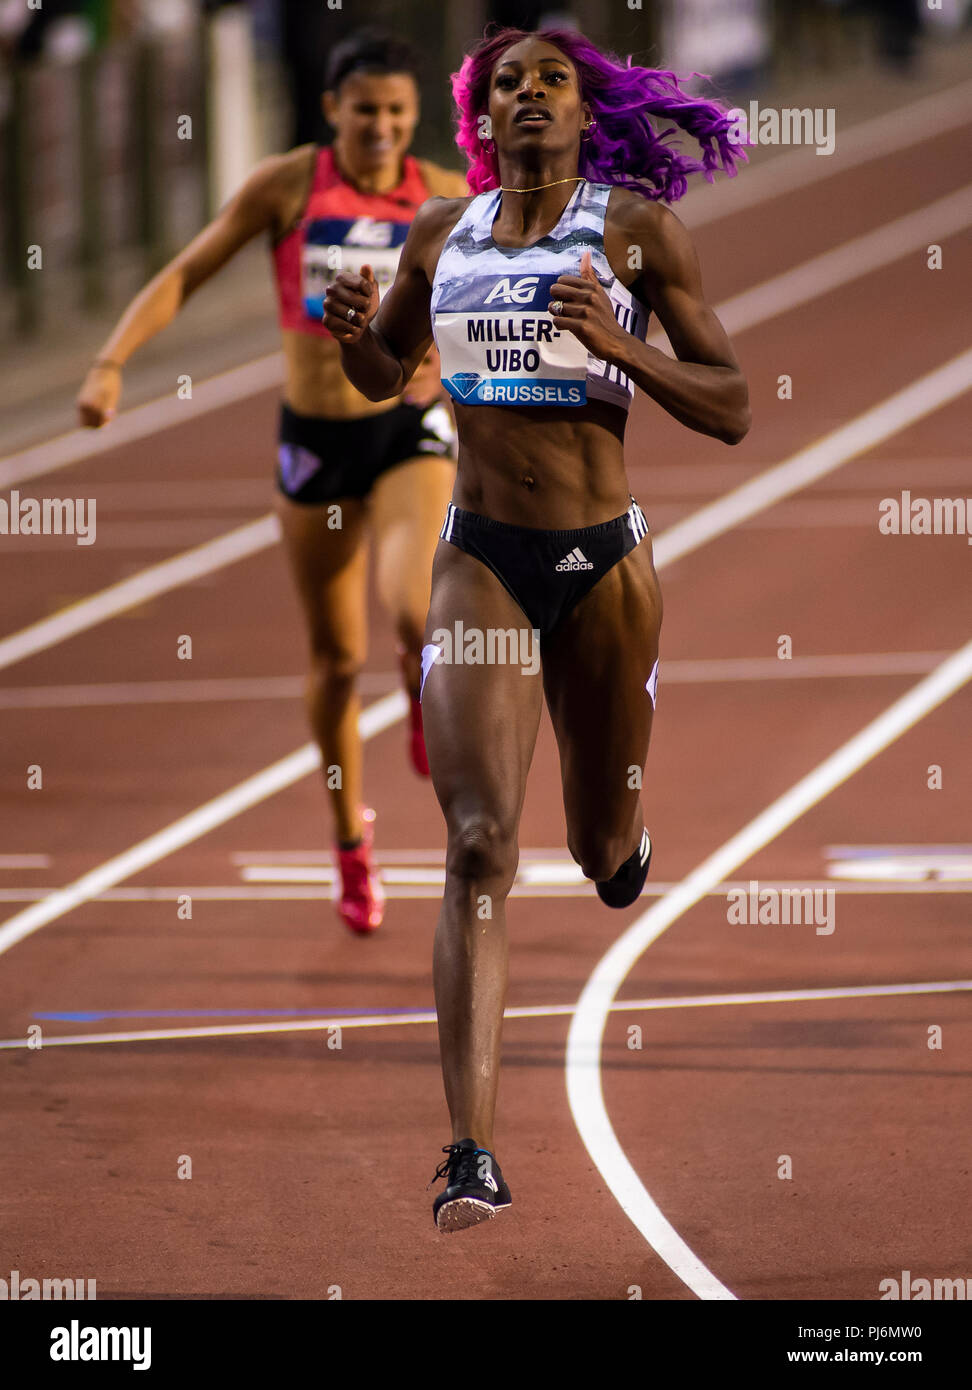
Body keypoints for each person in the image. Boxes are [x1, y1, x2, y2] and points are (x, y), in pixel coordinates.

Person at [323, 25, 750, 1229]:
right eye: (506, 82)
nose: (526, 97)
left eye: (549, 81)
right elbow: (381, 375)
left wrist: (623, 346)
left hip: (603, 565)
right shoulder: (438, 238)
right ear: (484, 113)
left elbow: (735, 406)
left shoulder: (634, 233)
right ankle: (470, 1151)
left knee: (597, 852)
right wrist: (355, 333)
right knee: (474, 845)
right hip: (483, 564)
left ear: (581, 109)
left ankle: (621, 840)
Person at [77, 29, 469, 934]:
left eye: (397, 113)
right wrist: (109, 364)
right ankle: (350, 841)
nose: (380, 126)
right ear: (331, 109)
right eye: (364, 109)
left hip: (405, 431)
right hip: (313, 449)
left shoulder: (442, 197)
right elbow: (186, 272)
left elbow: (483, 312)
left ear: (416, 119)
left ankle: (419, 679)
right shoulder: (287, 187)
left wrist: (443, 372)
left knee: (414, 611)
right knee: (333, 660)